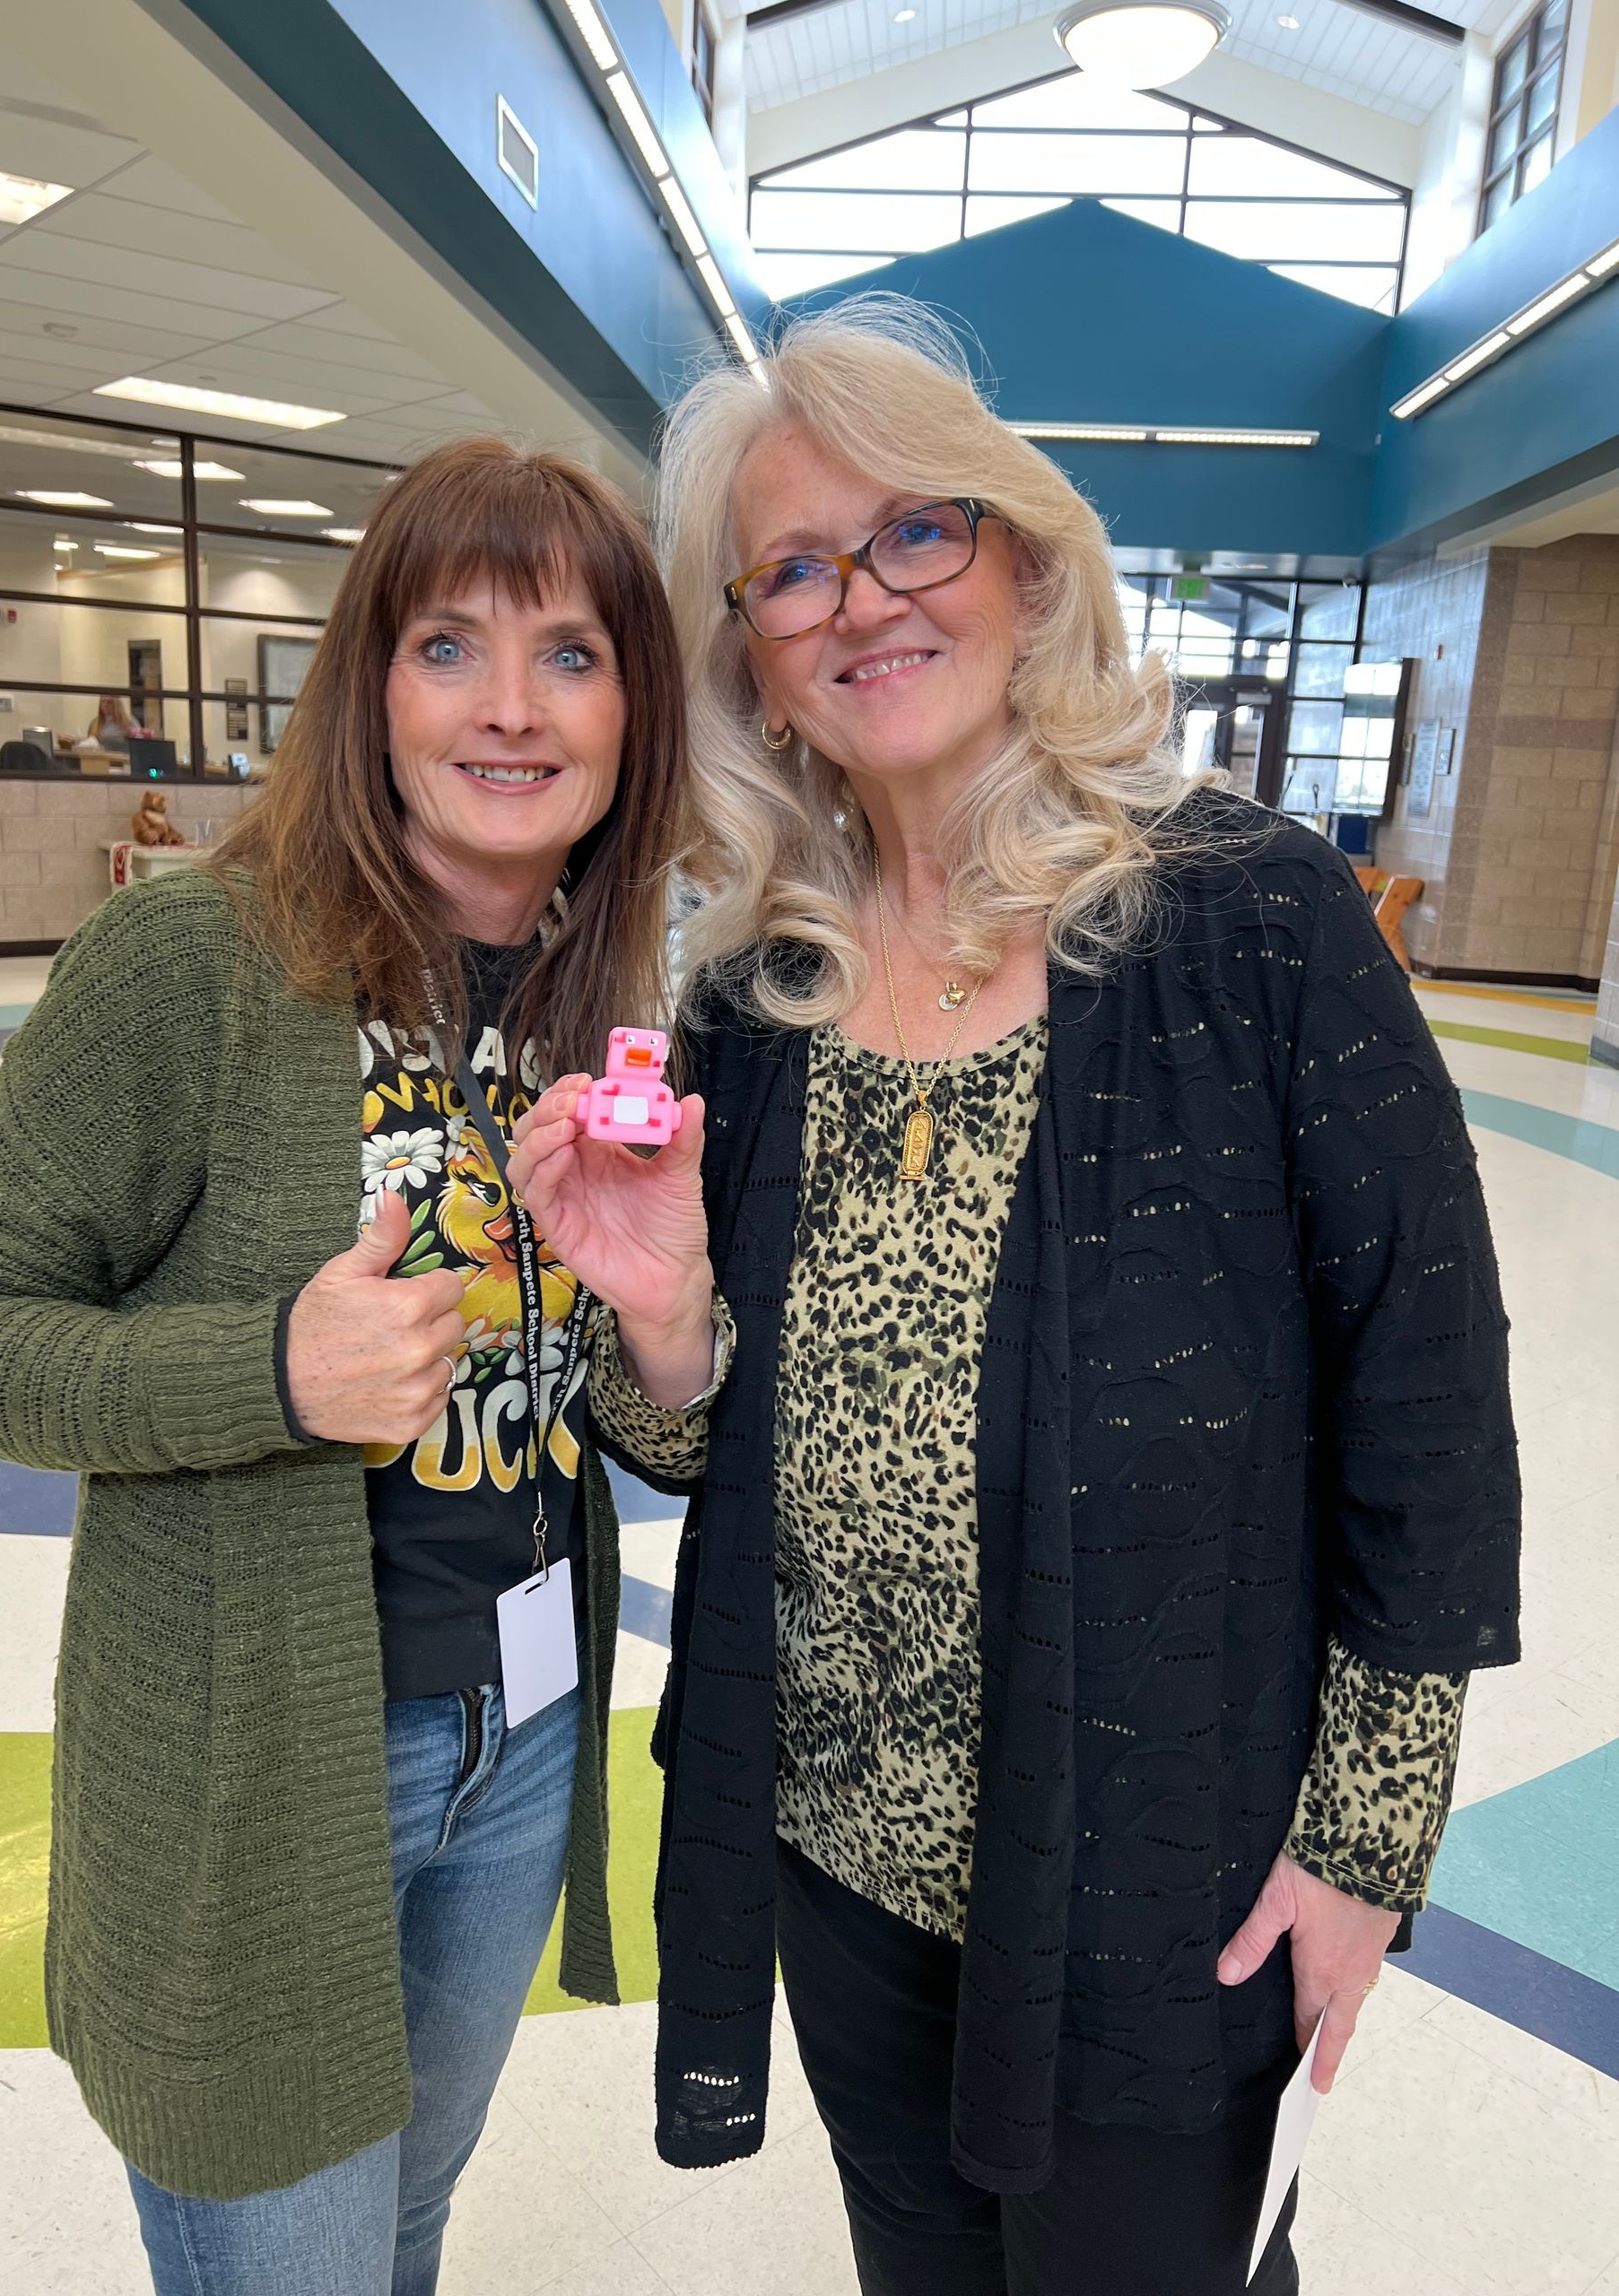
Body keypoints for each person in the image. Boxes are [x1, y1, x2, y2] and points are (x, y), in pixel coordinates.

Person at [509, 300, 1521, 2296]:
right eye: (791, 567)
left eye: (915, 534)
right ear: (753, 661)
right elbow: (691, 1439)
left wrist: (1367, 1842)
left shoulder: (1249, 920)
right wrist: (653, 1312)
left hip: (1167, 1859)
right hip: (840, 1843)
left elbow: (1425, 1387)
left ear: (1027, 561)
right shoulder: (753, 989)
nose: (858, 599)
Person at [0, 436, 711, 2295]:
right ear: (369, 681)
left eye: (573, 653)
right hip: (264, 1763)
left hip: (521, 1743)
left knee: (403, 2229)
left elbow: (632, 1418)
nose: (511, 709)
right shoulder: (194, 959)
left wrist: (667, 1319)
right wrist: (269, 1366)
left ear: (634, 709)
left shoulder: (606, 996)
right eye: (449, 645)